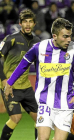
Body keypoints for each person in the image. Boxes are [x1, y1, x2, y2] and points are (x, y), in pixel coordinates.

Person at [4, 18, 74, 140]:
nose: (69, 40)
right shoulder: (39, 47)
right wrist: (9, 83)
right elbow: (23, 65)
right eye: (65, 36)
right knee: (43, 138)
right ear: (54, 36)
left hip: (66, 103)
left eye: (70, 36)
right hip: (44, 100)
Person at [0, 9, 40, 140]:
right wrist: (4, 79)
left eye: (30, 22)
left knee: (40, 120)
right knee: (16, 117)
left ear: (34, 24)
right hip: (10, 87)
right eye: (25, 22)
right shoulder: (11, 39)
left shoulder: (37, 42)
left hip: (26, 87)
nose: (27, 25)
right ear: (20, 24)